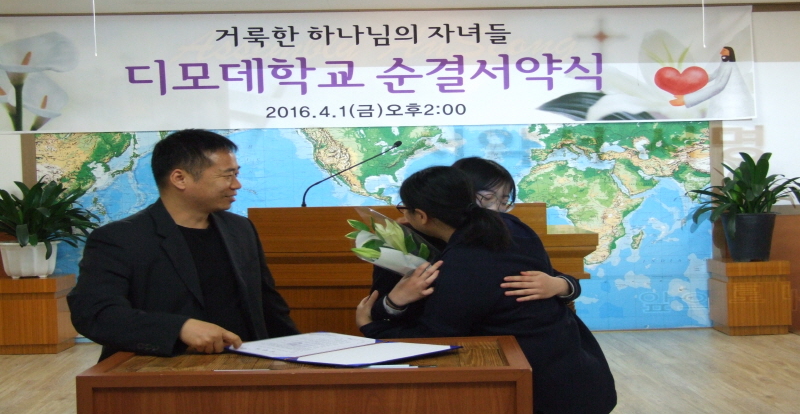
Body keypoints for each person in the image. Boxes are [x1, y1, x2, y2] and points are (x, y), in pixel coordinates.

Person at [357, 166, 616, 414]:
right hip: (580, 372)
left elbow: (437, 337)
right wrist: (394, 303)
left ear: (422, 215)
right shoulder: (511, 226)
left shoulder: (461, 264)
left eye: (405, 209)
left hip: (535, 389)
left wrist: (371, 328)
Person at [68, 129, 298, 361]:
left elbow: (269, 306)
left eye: (236, 174)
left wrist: (299, 356)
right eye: (227, 176)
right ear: (179, 178)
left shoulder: (240, 229)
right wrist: (179, 328)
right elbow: (95, 314)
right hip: (159, 371)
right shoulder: (119, 239)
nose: (236, 184)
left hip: (245, 366)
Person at [370, 157, 580, 321]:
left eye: (504, 201)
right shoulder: (405, 241)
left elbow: (552, 279)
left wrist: (560, 285)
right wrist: (395, 302)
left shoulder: (502, 234)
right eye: (486, 198)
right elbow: (378, 306)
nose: (496, 209)